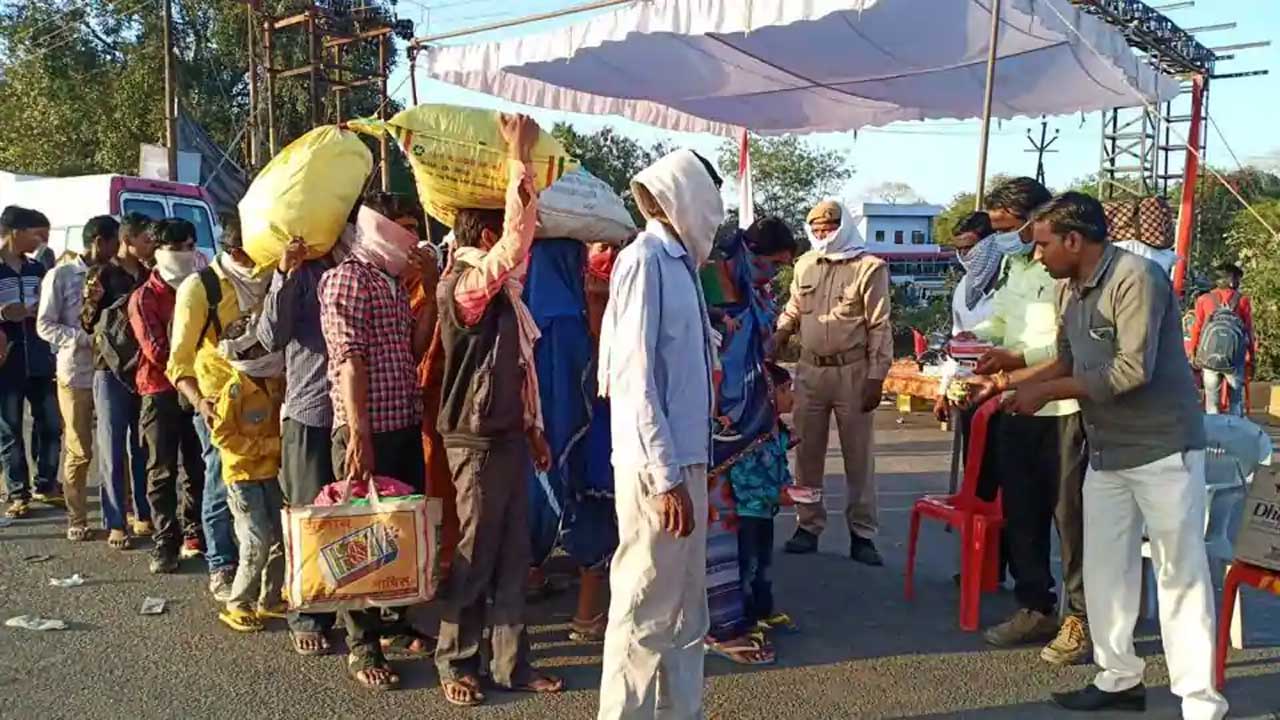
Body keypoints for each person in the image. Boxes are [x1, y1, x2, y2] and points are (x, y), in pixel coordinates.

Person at [967, 192, 1227, 719]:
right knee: (1105, 572)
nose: (1037, 257)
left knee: (1180, 574)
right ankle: (1117, 679)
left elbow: (1132, 371)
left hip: (1162, 452)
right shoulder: (1070, 289)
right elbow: (1065, 357)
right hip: (1106, 452)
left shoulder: (1137, 278)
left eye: (1042, 245)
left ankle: (1200, 702)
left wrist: (1046, 392)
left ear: (1073, 240)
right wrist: (1002, 383)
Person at [433, 114, 562, 707]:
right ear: (486, 239)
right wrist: (518, 156)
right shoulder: (463, 286)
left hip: (506, 435)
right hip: (477, 439)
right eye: (503, 238)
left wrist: (534, 428)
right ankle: (456, 661)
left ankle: (511, 665)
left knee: (515, 555)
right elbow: (517, 244)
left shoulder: (499, 293)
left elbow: (518, 369)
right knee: (476, 554)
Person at [597, 148, 723, 720]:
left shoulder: (681, 265)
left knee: (686, 612)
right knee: (644, 609)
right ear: (686, 198)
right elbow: (634, 379)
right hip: (658, 469)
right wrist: (668, 477)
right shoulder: (645, 260)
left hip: (684, 459)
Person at [318, 192, 436, 691]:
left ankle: (397, 619)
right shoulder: (348, 277)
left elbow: (413, 346)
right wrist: (359, 434)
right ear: (380, 227)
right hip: (365, 428)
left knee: (398, 528)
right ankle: (361, 642)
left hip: (402, 419)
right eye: (405, 226)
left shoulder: (391, 280)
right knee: (358, 536)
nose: (414, 237)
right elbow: (350, 359)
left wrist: (429, 290)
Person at [970, 177, 1090, 665]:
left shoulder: (1071, 270)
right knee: (1022, 512)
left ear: (1040, 218)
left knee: (1072, 518)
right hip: (1017, 403)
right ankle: (1034, 605)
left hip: (1064, 407)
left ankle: (1080, 617)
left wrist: (1012, 359)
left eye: (1009, 226)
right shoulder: (1016, 267)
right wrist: (972, 341)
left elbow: (1069, 348)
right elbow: (1001, 322)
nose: (1002, 236)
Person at [772, 199, 892, 566]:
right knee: (807, 455)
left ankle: (863, 533)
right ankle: (808, 526)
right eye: (817, 229)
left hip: (852, 371)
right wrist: (779, 333)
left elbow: (879, 325)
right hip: (809, 370)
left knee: (859, 458)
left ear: (844, 226)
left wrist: (876, 377)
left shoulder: (869, 268)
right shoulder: (805, 264)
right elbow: (794, 307)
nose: (822, 234)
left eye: (829, 227)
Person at [704, 216, 798, 666]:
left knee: (745, 527)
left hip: (750, 424)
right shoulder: (707, 278)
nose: (772, 274)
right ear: (747, 251)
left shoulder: (756, 292)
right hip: (712, 425)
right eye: (770, 264)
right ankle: (718, 624)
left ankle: (742, 610)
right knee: (716, 527)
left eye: (780, 268)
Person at [257, 223, 350, 654]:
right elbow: (269, 336)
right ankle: (308, 613)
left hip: (353, 415)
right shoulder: (299, 274)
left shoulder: (355, 260)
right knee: (309, 519)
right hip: (310, 411)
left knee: (353, 520)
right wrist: (285, 271)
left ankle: (358, 609)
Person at [170, 214, 260, 599]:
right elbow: (179, 360)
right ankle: (221, 564)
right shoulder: (200, 288)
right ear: (238, 249)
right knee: (220, 483)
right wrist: (199, 401)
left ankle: (256, 561)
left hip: (265, 403)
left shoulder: (270, 278)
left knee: (261, 488)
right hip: (219, 405)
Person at [130, 219, 206, 573]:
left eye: (190, 246)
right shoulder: (145, 297)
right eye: (177, 248)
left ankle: (196, 532)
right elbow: (157, 350)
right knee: (161, 471)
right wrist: (189, 359)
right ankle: (165, 540)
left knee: (198, 466)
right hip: (159, 390)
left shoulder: (203, 287)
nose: (185, 254)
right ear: (159, 251)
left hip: (199, 390)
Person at [36, 216, 118, 538]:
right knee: (79, 448)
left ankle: (118, 516)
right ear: (99, 241)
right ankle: (77, 518)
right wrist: (84, 339)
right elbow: (45, 325)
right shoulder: (62, 275)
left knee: (115, 446)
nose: (116, 249)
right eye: (113, 242)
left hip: (111, 372)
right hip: (76, 373)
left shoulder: (114, 275)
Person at [209, 315, 286, 633]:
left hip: (268, 473)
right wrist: (265, 447)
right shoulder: (234, 391)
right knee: (256, 539)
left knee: (279, 537)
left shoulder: (270, 382)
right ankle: (238, 601)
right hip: (243, 477)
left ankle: (269, 597)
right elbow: (222, 436)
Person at [84, 213, 154, 547]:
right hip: (109, 370)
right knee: (111, 447)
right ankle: (115, 521)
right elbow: (86, 324)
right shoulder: (103, 274)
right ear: (128, 240)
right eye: (145, 239)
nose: (150, 245)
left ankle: (143, 513)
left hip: (142, 368)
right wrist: (93, 302)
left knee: (141, 445)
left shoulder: (148, 274)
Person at [0, 206, 61, 519]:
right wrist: (2, 313)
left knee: (50, 423)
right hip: (5, 361)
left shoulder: (38, 269)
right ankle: (17, 492)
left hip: (40, 357)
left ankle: (47, 483)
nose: (41, 240)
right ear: (15, 232)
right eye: (36, 234)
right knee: (9, 429)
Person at [1189, 263, 1254, 416]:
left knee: (1211, 400)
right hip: (1234, 360)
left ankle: (1213, 435)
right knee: (1235, 400)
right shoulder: (1242, 300)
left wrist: (1193, 352)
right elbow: (1249, 332)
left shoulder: (1204, 299)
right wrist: (1251, 358)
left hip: (1209, 357)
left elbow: (1197, 328)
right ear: (1233, 280)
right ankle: (1235, 433)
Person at [949, 211, 997, 337]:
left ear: (990, 244)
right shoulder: (962, 289)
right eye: (959, 249)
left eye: (970, 247)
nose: (964, 255)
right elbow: (958, 334)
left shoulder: (1011, 283)